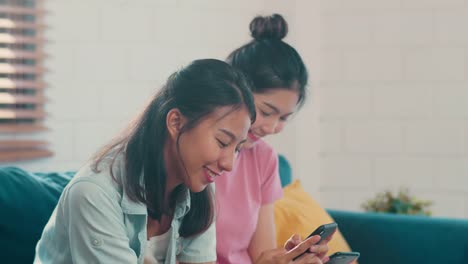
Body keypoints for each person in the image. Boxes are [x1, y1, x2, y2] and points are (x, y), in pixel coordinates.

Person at [34, 59, 257, 264]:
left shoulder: (199, 182)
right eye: (222, 141)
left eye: (237, 148)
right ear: (176, 122)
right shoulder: (93, 193)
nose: (229, 164)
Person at [215, 14, 333, 264]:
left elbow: (261, 256)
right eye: (267, 112)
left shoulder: (264, 158)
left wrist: (288, 258)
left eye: (283, 118)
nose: (272, 127)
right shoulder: (199, 153)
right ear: (233, 90)